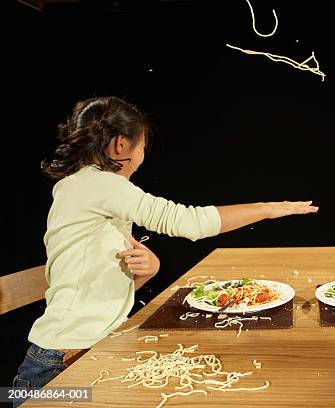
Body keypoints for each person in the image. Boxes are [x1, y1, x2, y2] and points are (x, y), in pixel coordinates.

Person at [13, 96, 318, 405]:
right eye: (142, 145)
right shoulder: (102, 186)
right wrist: (269, 208)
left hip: (75, 352)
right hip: (59, 367)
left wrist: (149, 271)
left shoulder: (79, 187)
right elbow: (190, 222)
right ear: (121, 145)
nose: (143, 153)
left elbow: (87, 285)